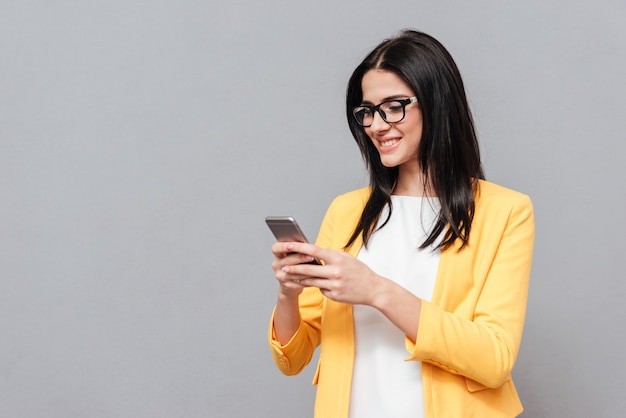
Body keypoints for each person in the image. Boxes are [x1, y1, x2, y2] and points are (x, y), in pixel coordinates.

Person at [267, 29, 534, 418]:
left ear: (436, 103)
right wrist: (287, 293)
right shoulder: (346, 212)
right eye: (367, 111)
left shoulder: (505, 211)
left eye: (394, 106)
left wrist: (377, 290)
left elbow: (494, 359)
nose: (376, 124)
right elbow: (292, 359)